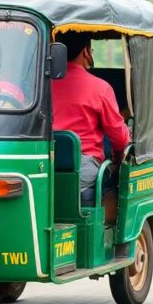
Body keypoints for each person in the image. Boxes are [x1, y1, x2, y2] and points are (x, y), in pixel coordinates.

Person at [51, 32, 130, 205]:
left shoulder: (41, 86)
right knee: (113, 180)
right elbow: (120, 137)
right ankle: (109, 225)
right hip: (84, 167)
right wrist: (117, 160)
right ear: (86, 52)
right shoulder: (100, 88)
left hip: (44, 163)